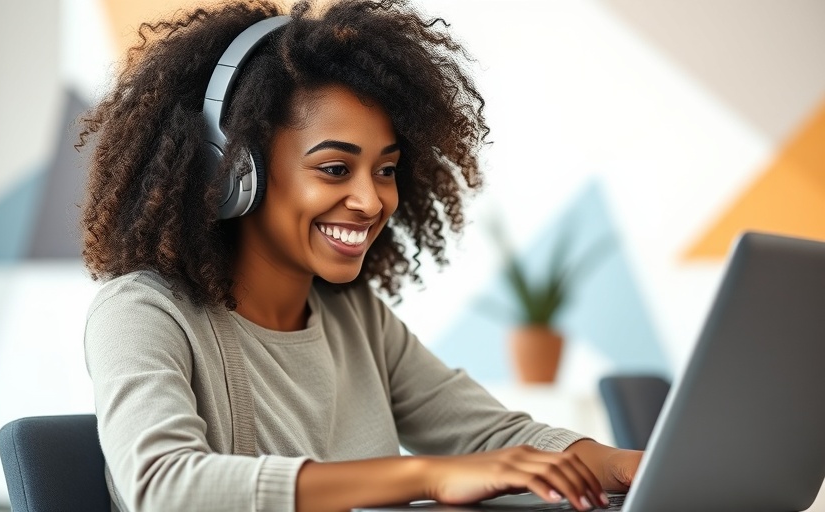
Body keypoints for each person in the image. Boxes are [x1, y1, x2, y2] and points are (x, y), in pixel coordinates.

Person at [78, 1, 642, 511]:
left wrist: (634, 467)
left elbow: (493, 438)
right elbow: (162, 486)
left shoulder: (357, 318)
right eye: (334, 169)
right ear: (232, 172)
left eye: (386, 170)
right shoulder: (143, 313)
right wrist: (425, 476)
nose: (372, 201)